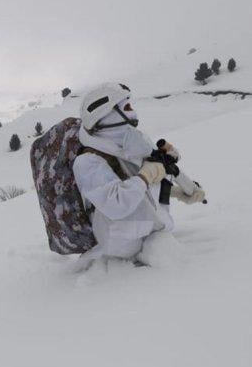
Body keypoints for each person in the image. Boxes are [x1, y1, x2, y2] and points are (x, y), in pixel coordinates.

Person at [72, 83, 206, 268]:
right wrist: (145, 176)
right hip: (120, 242)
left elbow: (138, 184)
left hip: (145, 229)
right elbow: (116, 203)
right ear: (106, 114)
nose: (133, 111)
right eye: (126, 107)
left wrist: (173, 192)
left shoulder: (127, 143)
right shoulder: (87, 162)